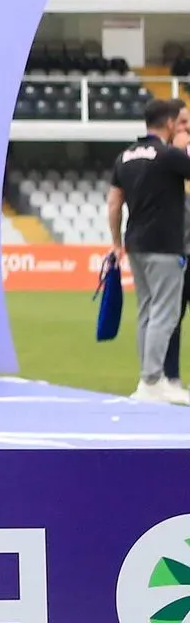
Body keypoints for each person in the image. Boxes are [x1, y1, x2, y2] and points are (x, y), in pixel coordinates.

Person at [107, 97, 190, 404]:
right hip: (165, 244)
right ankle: (152, 380)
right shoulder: (168, 155)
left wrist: (116, 243)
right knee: (165, 314)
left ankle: (148, 377)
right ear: (170, 123)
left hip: (135, 243)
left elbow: (114, 203)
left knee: (146, 311)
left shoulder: (125, 156)